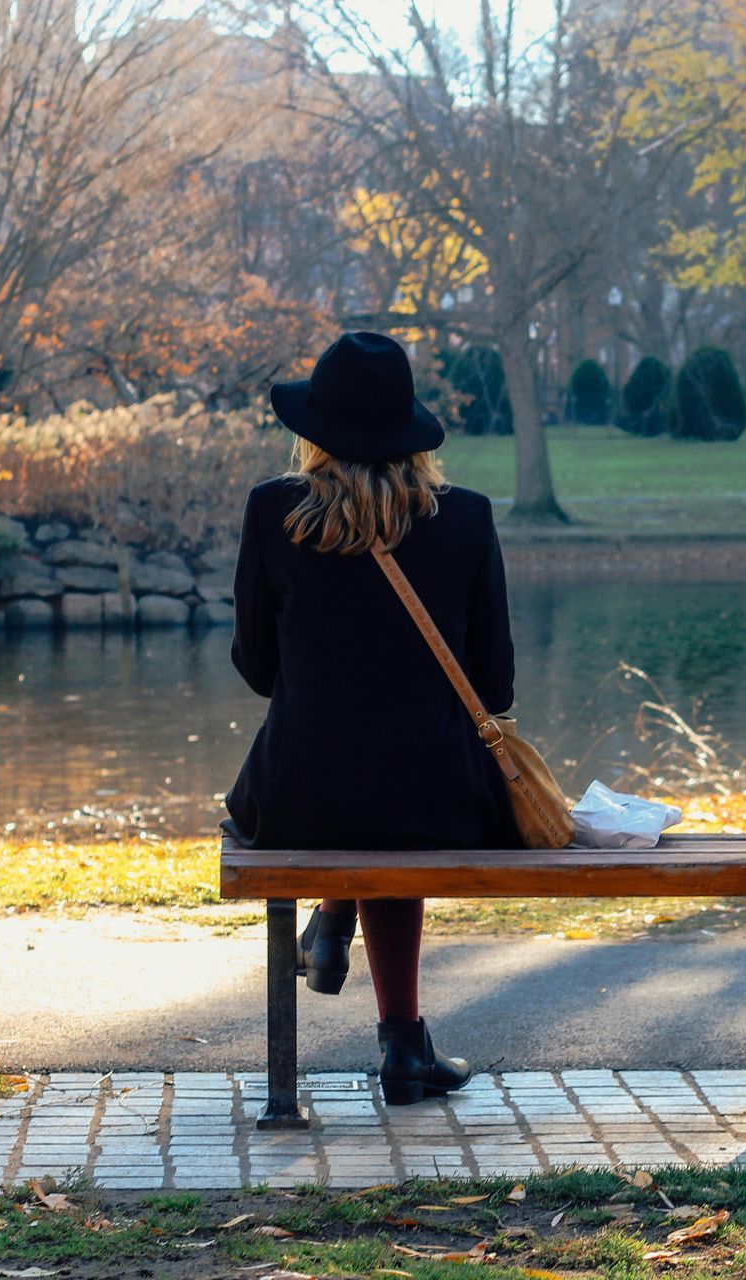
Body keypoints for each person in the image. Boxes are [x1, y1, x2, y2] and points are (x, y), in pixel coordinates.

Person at [223, 331, 520, 1106]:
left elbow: (256, 670)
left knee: (357, 789)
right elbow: (495, 685)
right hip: (440, 801)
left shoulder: (271, 512)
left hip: (297, 796)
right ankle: (402, 1049)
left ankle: (333, 919)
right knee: (397, 798)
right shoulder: (466, 518)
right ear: (407, 429)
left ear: (313, 430)